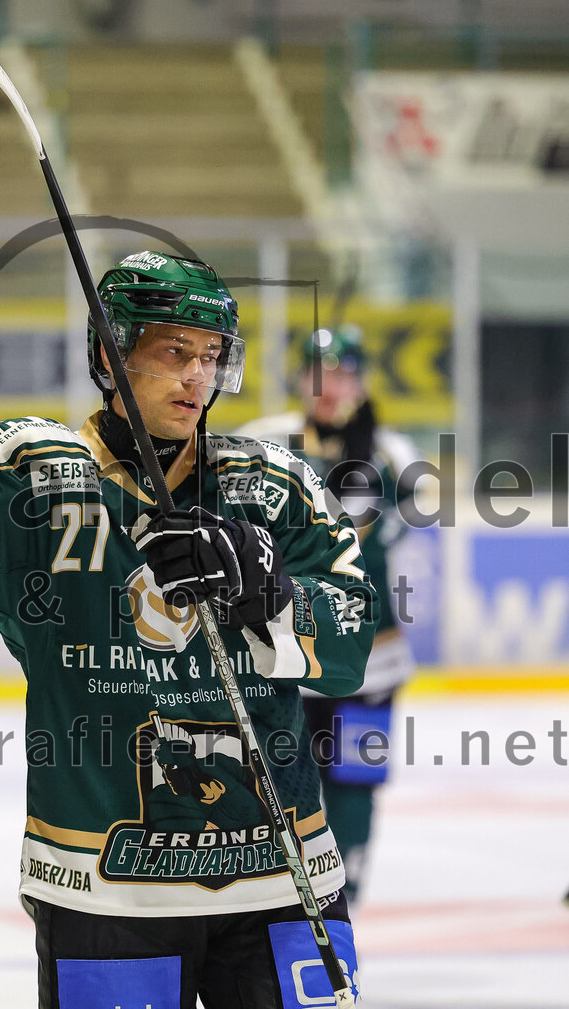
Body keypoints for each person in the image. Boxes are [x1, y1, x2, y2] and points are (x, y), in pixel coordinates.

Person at [0, 173, 376, 1008]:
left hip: (281, 877)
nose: (196, 377)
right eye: (173, 352)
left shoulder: (273, 485)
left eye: (209, 356)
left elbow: (348, 646)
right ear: (110, 353)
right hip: (103, 880)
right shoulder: (36, 472)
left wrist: (259, 582)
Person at [237, 324, 420, 904]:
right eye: (316, 373)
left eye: (341, 374)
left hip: (375, 660)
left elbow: (396, 533)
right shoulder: (263, 442)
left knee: (357, 777)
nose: (327, 387)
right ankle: (286, 889)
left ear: (363, 382)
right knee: (283, 776)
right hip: (290, 651)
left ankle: (349, 887)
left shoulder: (394, 451)